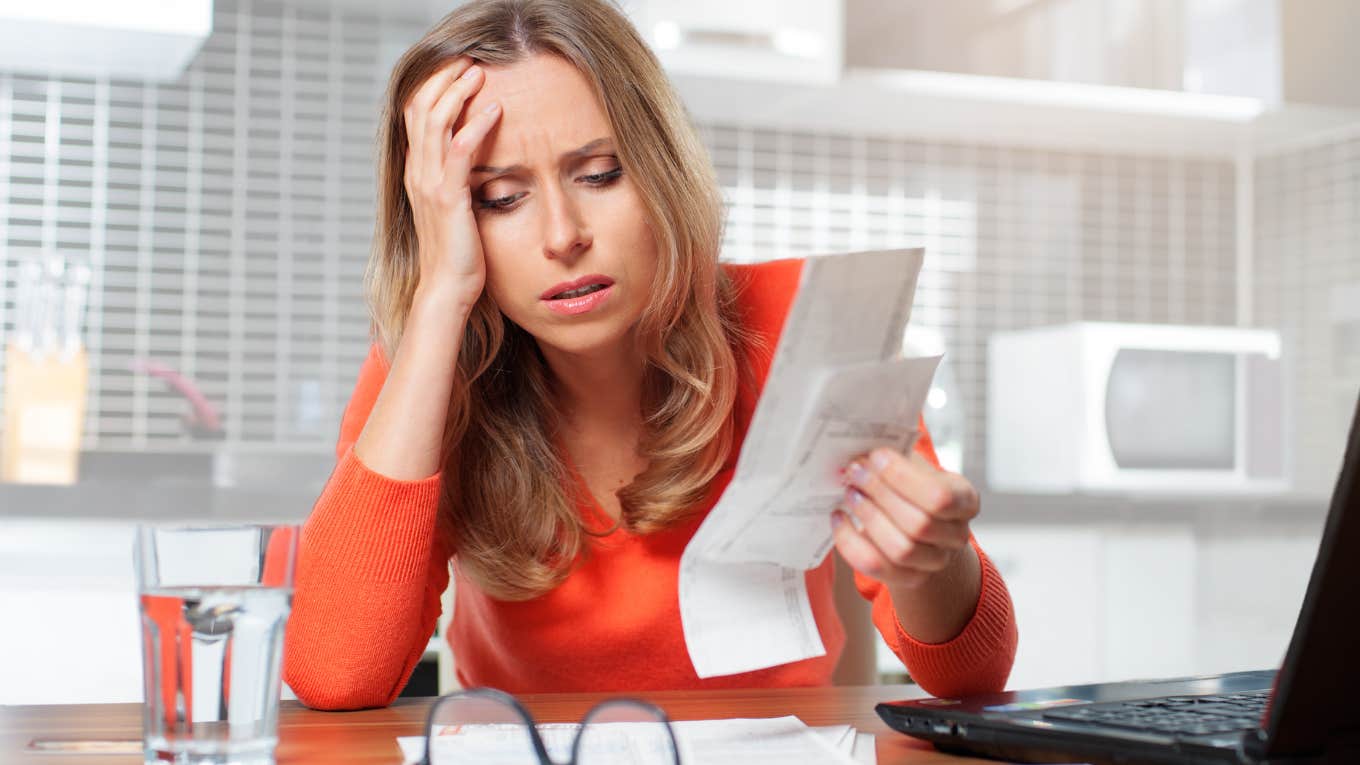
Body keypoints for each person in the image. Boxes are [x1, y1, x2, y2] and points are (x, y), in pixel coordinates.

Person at [283, 0, 1017, 711]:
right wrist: (441, 290)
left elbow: (971, 674)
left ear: (661, 167)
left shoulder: (799, 324)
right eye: (501, 197)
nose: (563, 234)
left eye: (599, 174)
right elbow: (334, 672)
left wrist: (931, 559)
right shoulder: (428, 369)